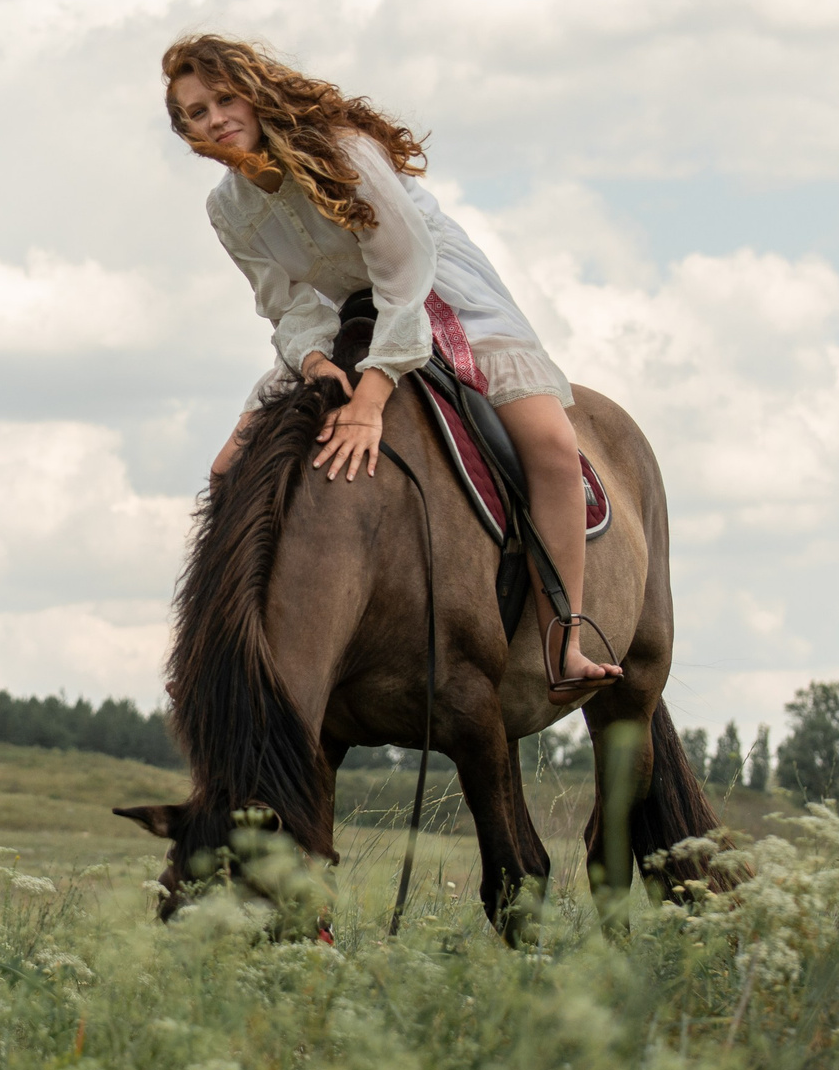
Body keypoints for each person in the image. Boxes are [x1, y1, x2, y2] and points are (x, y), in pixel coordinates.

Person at [164, 34, 619, 696]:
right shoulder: (227, 207)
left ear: (255, 91)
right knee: (226, 468)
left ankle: (564, 641)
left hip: (436, 296)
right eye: (196, 114)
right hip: (343, 319)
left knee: (550, 444)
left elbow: (405, 273)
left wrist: (370, 398)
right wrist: (317, 362)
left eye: (224, 99)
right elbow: (285, 304)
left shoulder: (343, 150)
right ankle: (215, 662)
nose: (215, 120)